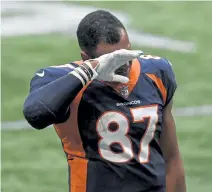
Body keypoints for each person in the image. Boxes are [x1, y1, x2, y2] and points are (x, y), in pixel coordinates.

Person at [23, 10, 186, 192]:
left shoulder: (156, 72)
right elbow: (36, 114)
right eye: (113, 59)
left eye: (126, 53)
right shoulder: (65, 80)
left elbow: (171, 157)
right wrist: (88, 71)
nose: (124, 64)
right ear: (86, 58)